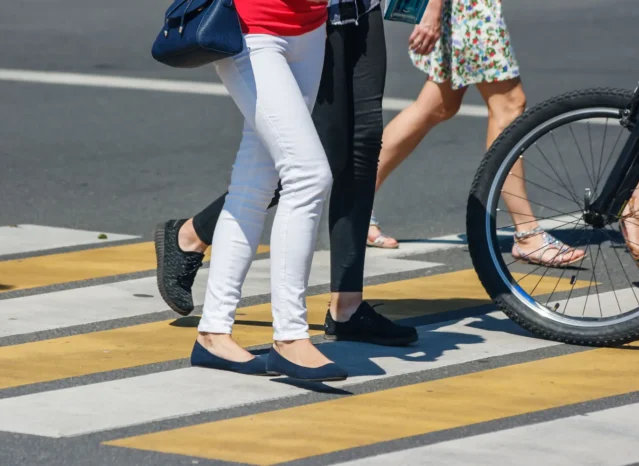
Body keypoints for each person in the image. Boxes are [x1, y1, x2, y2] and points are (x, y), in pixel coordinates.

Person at [155, 0, 418, 380]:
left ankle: (213, 332)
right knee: (308, 174)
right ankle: (290, 338)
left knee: (254, 180)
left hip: (309, 30)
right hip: (255, 29)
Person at [366, 0, 586, 267]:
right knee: (509, 104)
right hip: (466, 7)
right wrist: (433, 8)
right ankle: (528, 234)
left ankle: (357, 204)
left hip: (462, 8)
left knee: (438, 105)